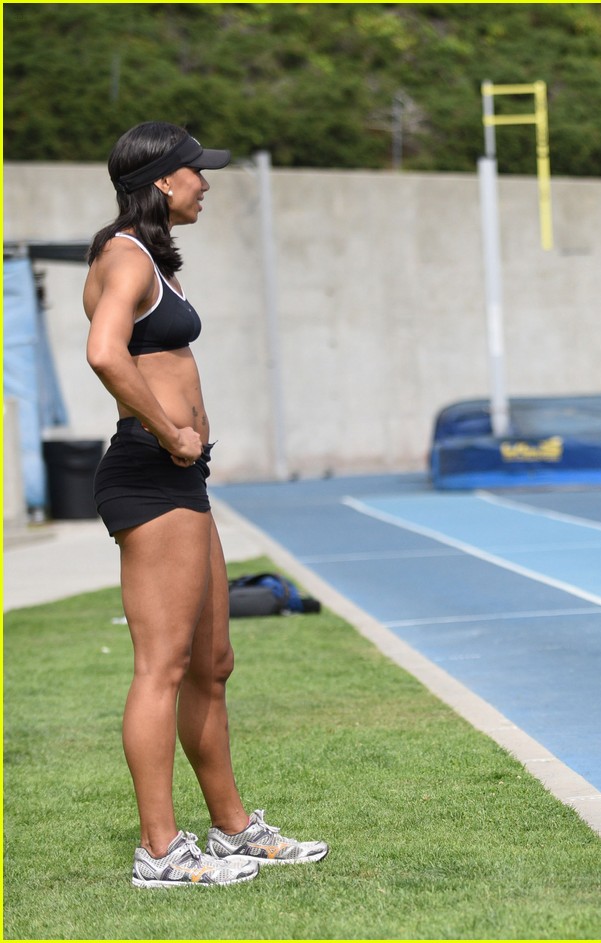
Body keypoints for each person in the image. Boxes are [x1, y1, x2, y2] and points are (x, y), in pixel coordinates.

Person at [84, 121, 328, 888]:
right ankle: (159, 851)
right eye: (196, 172)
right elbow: (103, 350)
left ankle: (231, 829)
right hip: (150, 473)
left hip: (181, 478)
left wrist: (189, 446)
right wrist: (171, 433)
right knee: (162, 666)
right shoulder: (125, 256)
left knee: (212, 663)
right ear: (162, 180)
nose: (206, 183)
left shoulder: (153, 258)